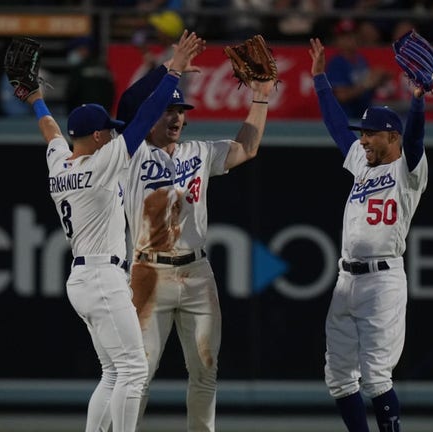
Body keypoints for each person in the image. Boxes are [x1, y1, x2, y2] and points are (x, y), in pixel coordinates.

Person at [19, 31, 204, 432]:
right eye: (110, 130)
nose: (116, 133)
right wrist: (171, 73)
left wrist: (35, 98)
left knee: (112, 372)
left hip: (84, 277)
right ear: (100, 136)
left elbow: (51, 130)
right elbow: (142, 120)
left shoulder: (62, 162)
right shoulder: (99, 167)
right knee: (133, 371)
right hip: (103, 276)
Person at [115, 55, 277, 432]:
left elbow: (246, 148)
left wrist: (261, 98)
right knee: (138, 372)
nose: (175, 118)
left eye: (180, 110)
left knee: (205, 370)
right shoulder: (130, 154)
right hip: (147, 272)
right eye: (167, 110)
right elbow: (126, 106)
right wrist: (169, 67)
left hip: (196, 272)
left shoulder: (198, 153)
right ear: (149, 114)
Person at [309, 37, 429, 432]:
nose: (363, 139)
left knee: (377, 378)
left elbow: (414, 139)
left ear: (391, 137)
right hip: (347, 280)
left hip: (382, 281)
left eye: (371, 134)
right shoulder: (364, 162)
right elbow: (336, 127)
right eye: (363, 133)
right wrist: (321, 79)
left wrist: (417, 100)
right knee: (339, 378)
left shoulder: (407, 169)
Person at [326, 18, 391, 119]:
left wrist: (379, 79)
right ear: (337, 40)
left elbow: (366, 88)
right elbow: (341, 96)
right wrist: (366, 85)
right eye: (345, 37)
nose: (350, 40)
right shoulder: (336, 63)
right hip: (346, 119)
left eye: (352, 36)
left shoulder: (361, 60)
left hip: (363, 116)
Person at [65, 36, 116, 113]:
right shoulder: (104, 67)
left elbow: (72, 93)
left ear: (85, 50)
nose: (73, 54)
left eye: (76, 50)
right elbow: (111, 93)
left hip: (82, 114)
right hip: (103, 114)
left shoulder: (79, 69)